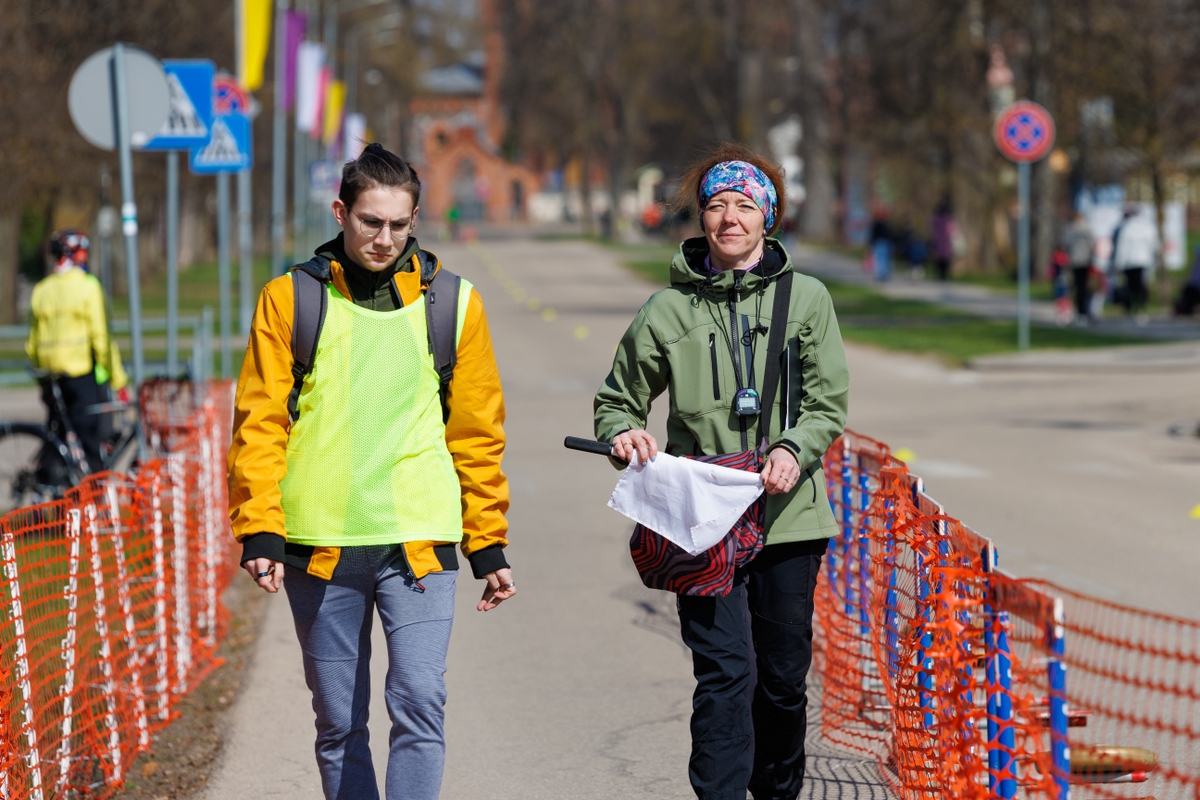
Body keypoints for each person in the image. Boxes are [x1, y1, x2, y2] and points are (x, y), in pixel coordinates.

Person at [227, 143, 514, 800]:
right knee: (337, 723)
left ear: (415, 221)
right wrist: (261, 530)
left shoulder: (455, 305)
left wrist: (487, 541)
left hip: (419, 541)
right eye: (369, 222)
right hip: (319, 545)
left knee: (419, 706)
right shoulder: (289, 300)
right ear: (341, 213)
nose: (384, 238)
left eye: (398, 225)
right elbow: (259, 422)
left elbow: (477, 434)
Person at [594, 144, 850, 800]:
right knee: (726, 674)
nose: (729, 217)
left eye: (744, 204)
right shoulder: (666, 311)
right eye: (715, 205)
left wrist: (795, 447)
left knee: (783, 681)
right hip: (701, 520)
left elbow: (827, 401)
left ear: (769, 216)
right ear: (700, 218)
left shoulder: (809, 300)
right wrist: (622, 431)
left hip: (789, 520)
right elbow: (618, 398)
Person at [25, 229, 128, 473]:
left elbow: (32, 343)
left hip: (50, 377)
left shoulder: (42, 289)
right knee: (90, 441)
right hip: (81, 375)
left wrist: (42, 373)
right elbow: (101, 340)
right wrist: (118, 380)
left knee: (57, 435)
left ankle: (46, 490)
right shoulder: (87, 287)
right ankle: (90, 501)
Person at [1111, 207, 1158, 324]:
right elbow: (1155, 246)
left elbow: (1122, 248)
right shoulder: (1148, 227)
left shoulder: (1127, 228)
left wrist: (1118, 263)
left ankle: (1132, 308)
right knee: (1140, 286)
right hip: (1143, 261)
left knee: (1132, 286)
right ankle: (1140, 308)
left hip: (1130, 262)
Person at [1061, 211, 1095, 323]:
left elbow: (1066, 244)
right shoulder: (1087, 230)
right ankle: (1085, 312)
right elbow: (1092, 245)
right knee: (1085, 288)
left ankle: (1080, 313)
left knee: (1077, 288)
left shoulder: (1071, 230)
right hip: (1086, 261)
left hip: (1075, 262)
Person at [931, 199, 955, 281]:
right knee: (946, 260)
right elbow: (953, 230)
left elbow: (932, 228)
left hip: (938, 241)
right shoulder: (948, 219)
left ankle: (939, 275)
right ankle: (945, 276)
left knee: (939, 260)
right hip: (947, 243)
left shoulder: (936, 219)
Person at [869, 208, 892, 281]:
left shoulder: (877, 224)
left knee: (880, 260)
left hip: (880, 243)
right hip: (883, 243)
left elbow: (873, 235)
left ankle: (881, 275)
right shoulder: (886, 224)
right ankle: (882, 275)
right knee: (883, 260)